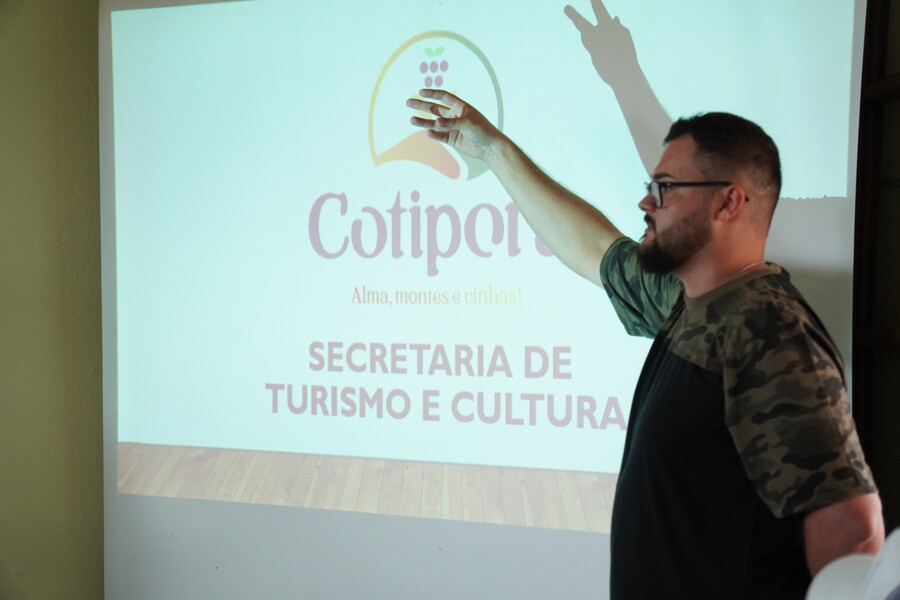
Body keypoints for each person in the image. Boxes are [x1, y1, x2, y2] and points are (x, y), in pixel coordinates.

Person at [406, 88, 884, 600]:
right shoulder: (693, 302)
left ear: (729, 201)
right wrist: (494, 150)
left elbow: (853, 531)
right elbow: (595, 249)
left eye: (665, 188)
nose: (645, 203)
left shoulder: (768, 332)